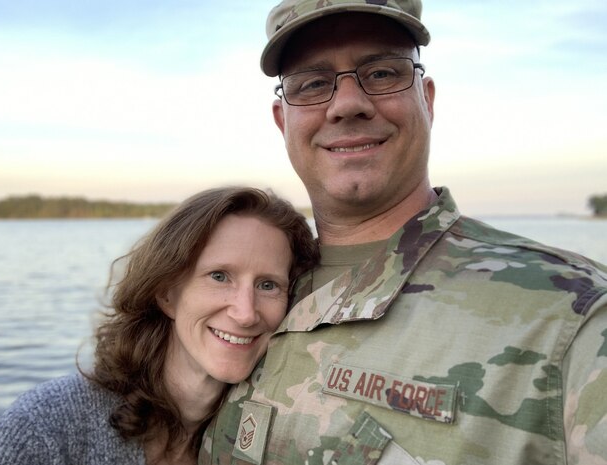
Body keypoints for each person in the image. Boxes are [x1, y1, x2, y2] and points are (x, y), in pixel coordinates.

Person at [200, 1, 607, 464]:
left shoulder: (573, 319)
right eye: (312, 84)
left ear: (427, 99)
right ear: (282, 121)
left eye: (382, 73)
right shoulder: (239, 303)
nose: (348, 104)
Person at [0, 186, 319, 465]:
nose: (246, 313)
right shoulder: (48, 427)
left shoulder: (272, 434)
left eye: (268, 285)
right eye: (219, 276)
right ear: (166, 293)